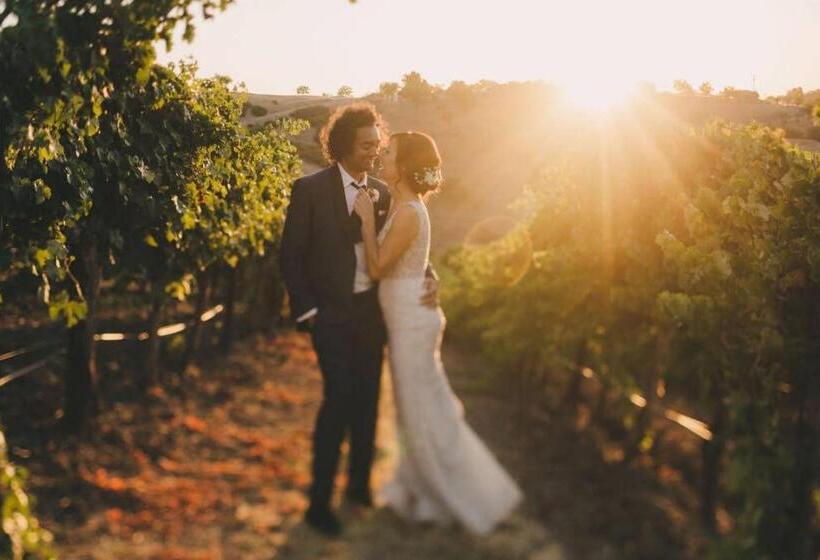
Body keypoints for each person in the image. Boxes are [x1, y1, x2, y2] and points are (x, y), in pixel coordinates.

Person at [278, 104, 439, 537]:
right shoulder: (309, 190)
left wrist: (429, 274)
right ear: (343, 145)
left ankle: (359, 487)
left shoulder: (386, 194)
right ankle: (318, 504)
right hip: (329, 315)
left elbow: (403, 244)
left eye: (379, 146)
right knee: (338, 401)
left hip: (372, 315)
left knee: (368, 401)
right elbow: (291, 257)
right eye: (367, 145)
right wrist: (308, 311)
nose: (375, 153)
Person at [353, 131, 523, 535]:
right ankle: (420, 490)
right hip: (407, 318)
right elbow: (412, 261)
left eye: (390, 153)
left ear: (404, 166)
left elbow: (377, 268)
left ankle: (450, 493)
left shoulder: (410, 212)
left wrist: (365, 221)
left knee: (421, 409)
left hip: (412, 322)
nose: (382, 157)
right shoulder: (404, 205)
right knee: (416, 408)